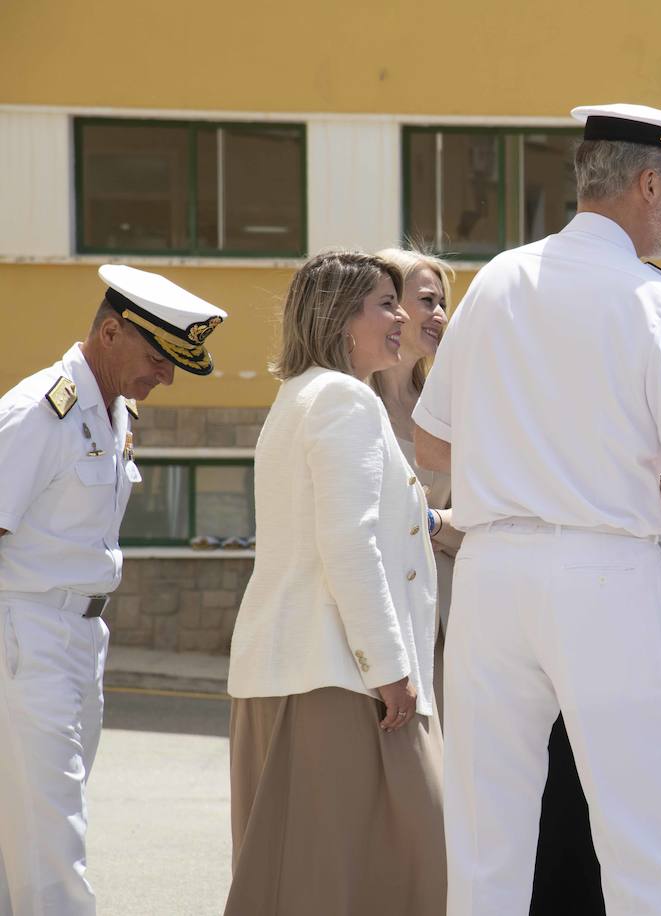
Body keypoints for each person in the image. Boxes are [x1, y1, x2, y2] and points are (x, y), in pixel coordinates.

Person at [412, 103, 661, 916]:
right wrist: (644, 487)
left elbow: (431, 449)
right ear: (648, 183)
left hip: (491, 570)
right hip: (604, 572)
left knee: (486, 840)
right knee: (642, 836)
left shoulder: (494, 280)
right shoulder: (658, 300)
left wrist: (520, 465)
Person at [0, 265, 225, 916]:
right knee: (52, 844)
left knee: (30, 836)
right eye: (159, 358)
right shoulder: (42, 411)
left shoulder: (112, 408)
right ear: (109, 332)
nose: (168, 377)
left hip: (80, 638)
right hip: (29, 633)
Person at [225, 251, 444, 915]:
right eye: (384, 303)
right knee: (398, 868)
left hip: (307, 672)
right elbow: (348, 543)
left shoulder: (303, 394)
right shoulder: (344, 397)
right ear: (340, 320)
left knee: (310, 881)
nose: (402, 315)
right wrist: (390, 667)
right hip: (342, 678)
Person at [529, 514, 661, 916]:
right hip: (541, 675)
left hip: (630, 673)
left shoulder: (648, 468)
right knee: (552, 829)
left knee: (626, 835)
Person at [373, 247, 463, 720]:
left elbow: (485, 516)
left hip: (446, 624)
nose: (441, 315)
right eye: (428, 300)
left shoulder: (450, 408)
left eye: (443, 304)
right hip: (375, 618)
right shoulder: (349, 400)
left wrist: (427, 522)